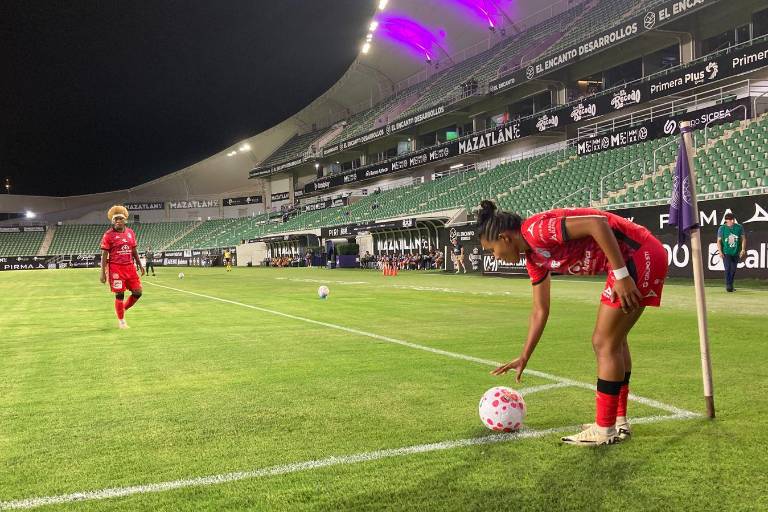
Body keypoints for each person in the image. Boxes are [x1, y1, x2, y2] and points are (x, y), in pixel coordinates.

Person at [476, 200, 668, 446]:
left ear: (503, 238)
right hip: (636, 259)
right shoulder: (534, 259)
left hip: (639, 256)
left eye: (491, 249)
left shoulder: (535, 231)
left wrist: (621, 274)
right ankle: (617, 421)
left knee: (603, 343)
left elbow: (596, 224)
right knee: (615, 341)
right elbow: (540, 310)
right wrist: (524, 356)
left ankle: (604, 428)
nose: (495, 256)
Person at [99, 205, 144, 329]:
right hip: (116, 268)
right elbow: (104, 255)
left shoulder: (130, 233)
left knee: (138, 292)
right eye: (116, 219)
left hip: (130, 267)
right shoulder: (108, 235)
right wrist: (102, 272)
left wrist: (140, 264)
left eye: (120, 219)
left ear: (125, 220)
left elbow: (134, 250)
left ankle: (122, 309)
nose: (118, 221)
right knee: (120, 295)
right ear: (112, 221)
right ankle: (121, 321)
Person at [717, 213, 746, 292]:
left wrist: (743, 249)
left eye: (732, 220)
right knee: (728, 268)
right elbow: (719, 241)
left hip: (736, 252)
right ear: (726, 220)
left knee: (733, 269)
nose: (731, 221)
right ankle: (728, 286)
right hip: (726, 252)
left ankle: (731, 285)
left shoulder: (739, 227)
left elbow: (743, 239)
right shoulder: (722, 228)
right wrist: (720, 251)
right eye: (729, 220)